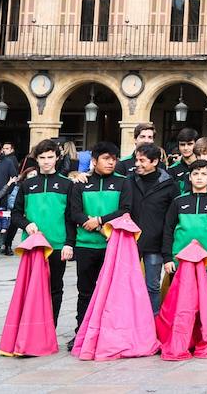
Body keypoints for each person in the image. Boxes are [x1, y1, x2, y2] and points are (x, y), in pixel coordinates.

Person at [66, 140, 131, 344]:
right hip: (85, 245)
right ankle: (82, 333)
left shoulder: (123, 182)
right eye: (106, 159)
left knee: (112, 292)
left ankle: (108, 333)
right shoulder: (81, 183)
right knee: (85, 291)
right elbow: (73, 211)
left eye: (113, 159)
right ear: (94, 161)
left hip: (112, 245)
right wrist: (89, 222)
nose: (111, 163)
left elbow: (126, 209)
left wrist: (100, 221)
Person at [10, 138, 71, 323]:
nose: (46, 161)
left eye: (50, 157)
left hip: (57, 244)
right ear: (36, 159)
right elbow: (16, 214)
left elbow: (70, 217)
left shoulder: (68, 184)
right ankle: (31, 325)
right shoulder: (27, 185)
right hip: (32, 245)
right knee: (31, 287)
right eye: (42, 157)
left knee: (55, 287)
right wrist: (26, 224)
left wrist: (69, 243)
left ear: (57, 158)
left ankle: (49, 327)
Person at [129, 142, 178, 312]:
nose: (137, 164)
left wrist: (167, 247)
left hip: (155, 243)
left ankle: (153, 323)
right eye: (137, 160)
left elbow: (172, 219)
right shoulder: (130, 180)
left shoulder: (170, 185)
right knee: (129, 287)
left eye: (142, 160)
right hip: (131, 242)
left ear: (155, 161)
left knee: (152, 286)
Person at [161, 158, 207, 280]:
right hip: (179, 260)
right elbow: (168, 230)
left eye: (203, 174)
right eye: (195, 174)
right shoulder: (178, 202)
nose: (199, 177)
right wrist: (167, 258)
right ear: (190, 177)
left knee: (206, 298)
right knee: (180, 298)